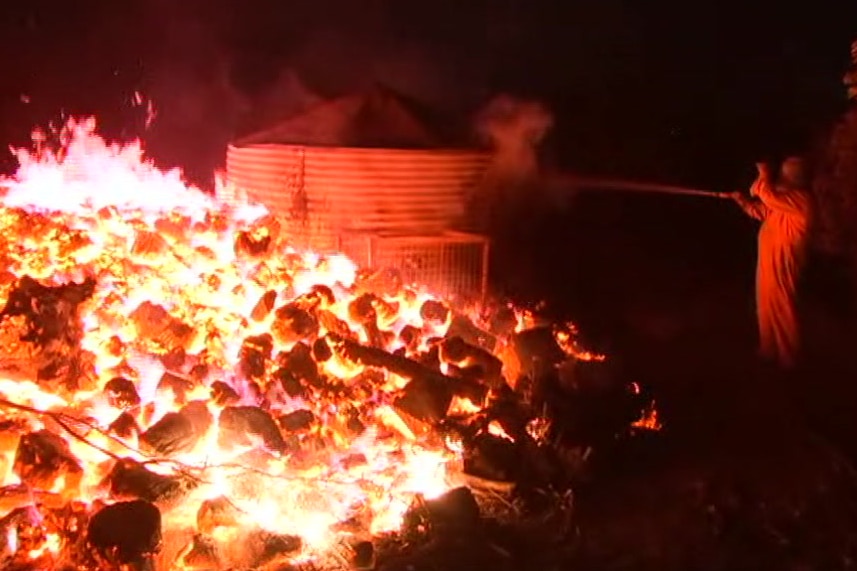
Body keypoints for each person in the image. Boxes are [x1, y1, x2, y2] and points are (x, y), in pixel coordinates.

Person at [728, 158, 812, 368]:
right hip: (770, 261)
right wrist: (743, 202)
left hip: (784, 263)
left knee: (783, 307)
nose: (781, 177)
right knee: (766, 305)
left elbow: (767, 195)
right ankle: (769, 350)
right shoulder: (788, 201)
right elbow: (764, 211)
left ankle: (789, 359)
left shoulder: (801, 200)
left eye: (784, 174)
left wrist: (763, 172)